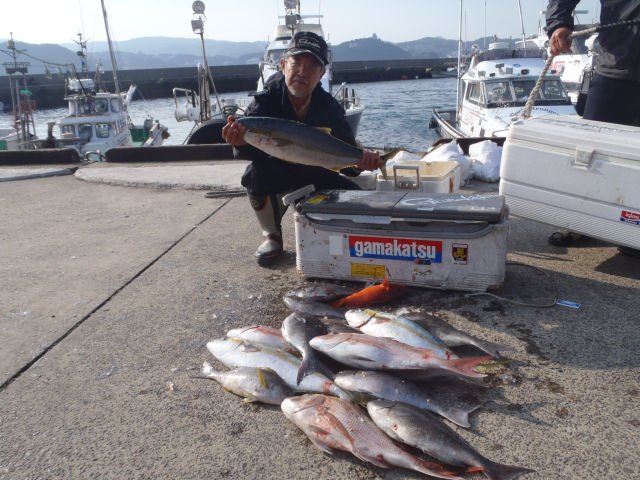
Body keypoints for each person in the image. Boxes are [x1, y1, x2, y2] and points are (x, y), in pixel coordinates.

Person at [222, 31, 381, 266]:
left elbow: (346, 160)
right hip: (278, 170)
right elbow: (247, 153)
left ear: (321, 74)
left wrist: (361, 163)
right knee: (255, 174)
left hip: (316, 173)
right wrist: (239, 141)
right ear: (283, 65)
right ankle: (271, 235)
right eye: (296, 63)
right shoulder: (265, 101)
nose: (301, 72)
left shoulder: (330, 108)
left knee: (357, 200)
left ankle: (340, 234)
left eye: (311, 66)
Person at [545, 0, 640, 248]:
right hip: (615, 70)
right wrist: (559, 25)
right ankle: (581, 221)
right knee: (589, 152)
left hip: (617, 67)